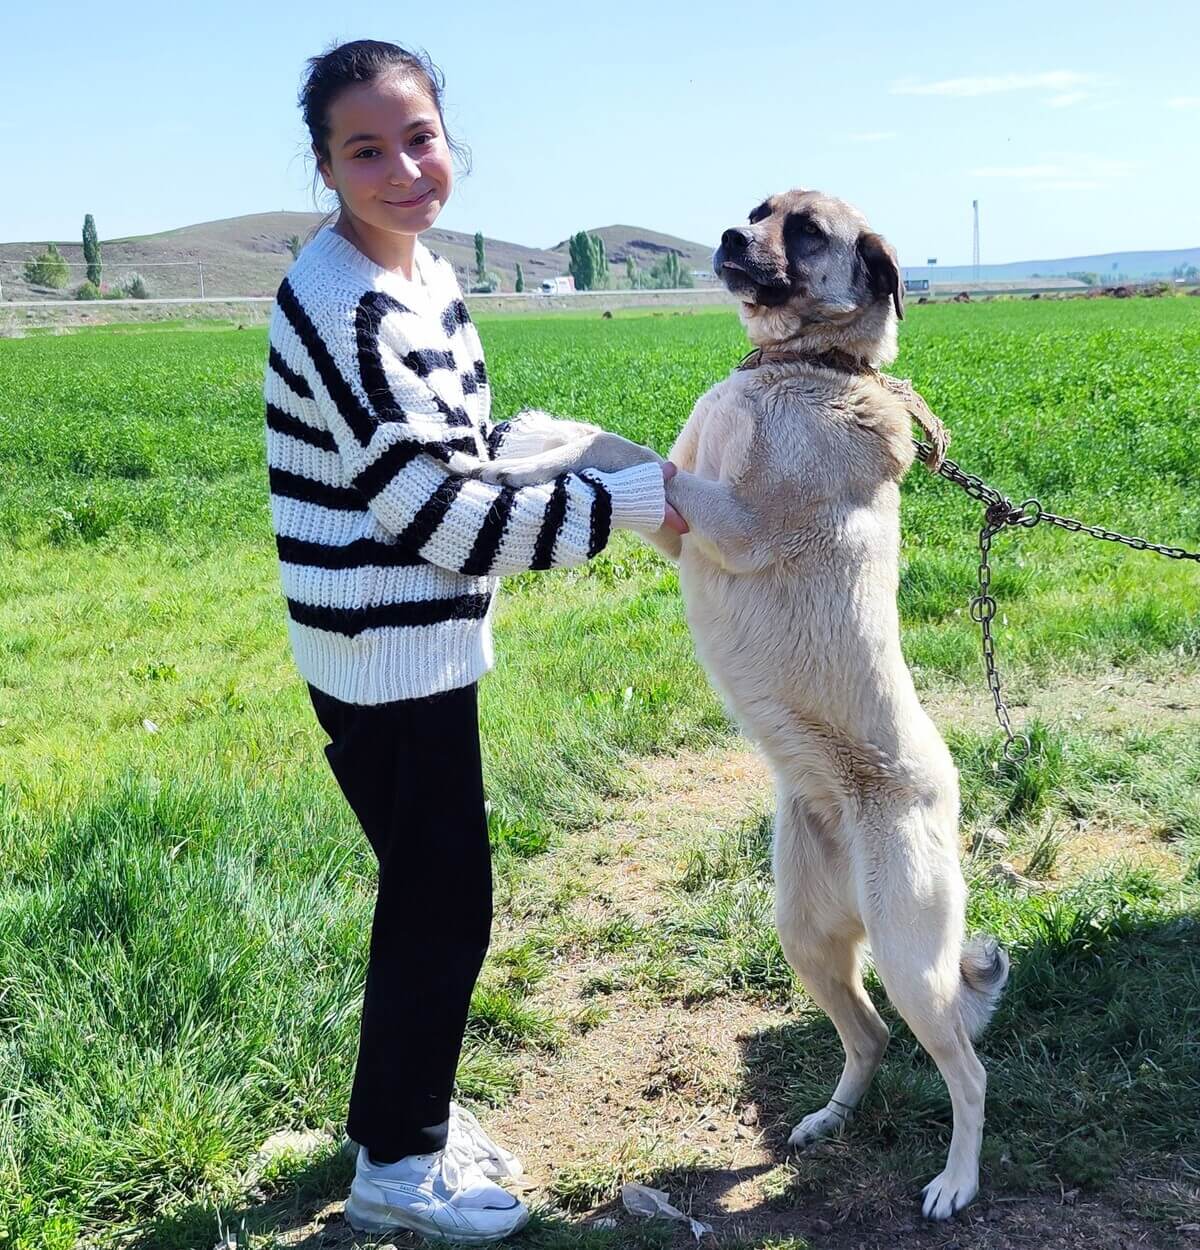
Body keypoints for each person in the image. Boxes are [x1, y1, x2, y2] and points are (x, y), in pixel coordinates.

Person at [263, 38, 686, 1244]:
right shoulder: (346, 308)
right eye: (367, 149)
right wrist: (641, 500)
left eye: (420, 137)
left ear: (450, 137)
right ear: (328, 166)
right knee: (444, 909)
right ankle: (398, 1168)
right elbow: (445, 523)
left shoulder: (424, 279)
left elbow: (463, 448)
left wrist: (575, 445)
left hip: (413, 649)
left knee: (431, 898)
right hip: (384, 660)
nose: (403, 167)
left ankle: (408, 1118)